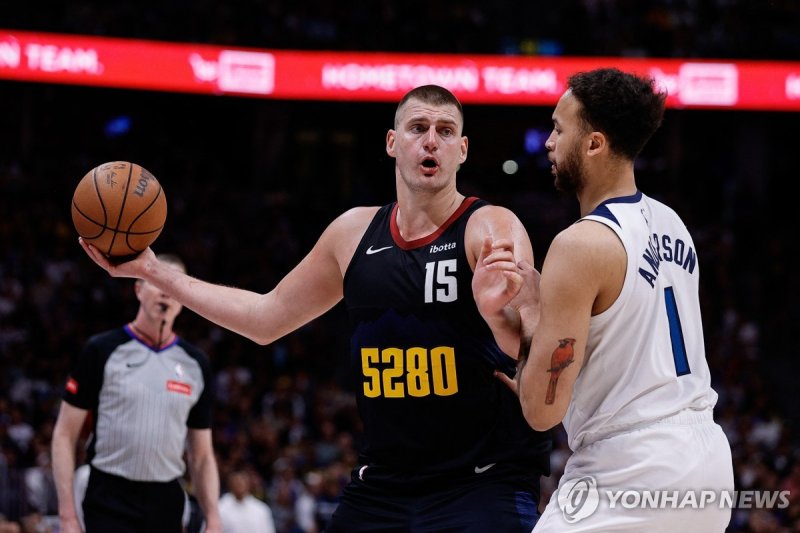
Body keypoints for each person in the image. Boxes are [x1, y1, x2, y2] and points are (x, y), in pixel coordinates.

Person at [78, 84, 552, 531]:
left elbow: (535, 351)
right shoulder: (351, 234)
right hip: (385, 485)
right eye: (418, 128)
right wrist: (152, 271)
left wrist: (498, 316)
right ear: (392, 143)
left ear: (462, 150)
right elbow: (264, 320)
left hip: (480, 481)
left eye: (445, 131)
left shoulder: (489, 227)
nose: (431, 141)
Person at [496, 68, 735, 531]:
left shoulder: (580, 244)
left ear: (594, 144)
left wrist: (529, 314)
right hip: (707, 459)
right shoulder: (672, 222)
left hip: (633, 464)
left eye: (558, 129)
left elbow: (542, 412)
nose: (549, 143)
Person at [51, 254, 222, 533]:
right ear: (138, 289)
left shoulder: (196, 364)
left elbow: (201, 455)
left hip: (166, 499)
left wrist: (213, 517)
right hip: (109, 494)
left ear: (185, 299)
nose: (165, 291)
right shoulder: (101, 350)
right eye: (157, 282)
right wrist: (67, 514)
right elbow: (64, 435)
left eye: (174, 284)